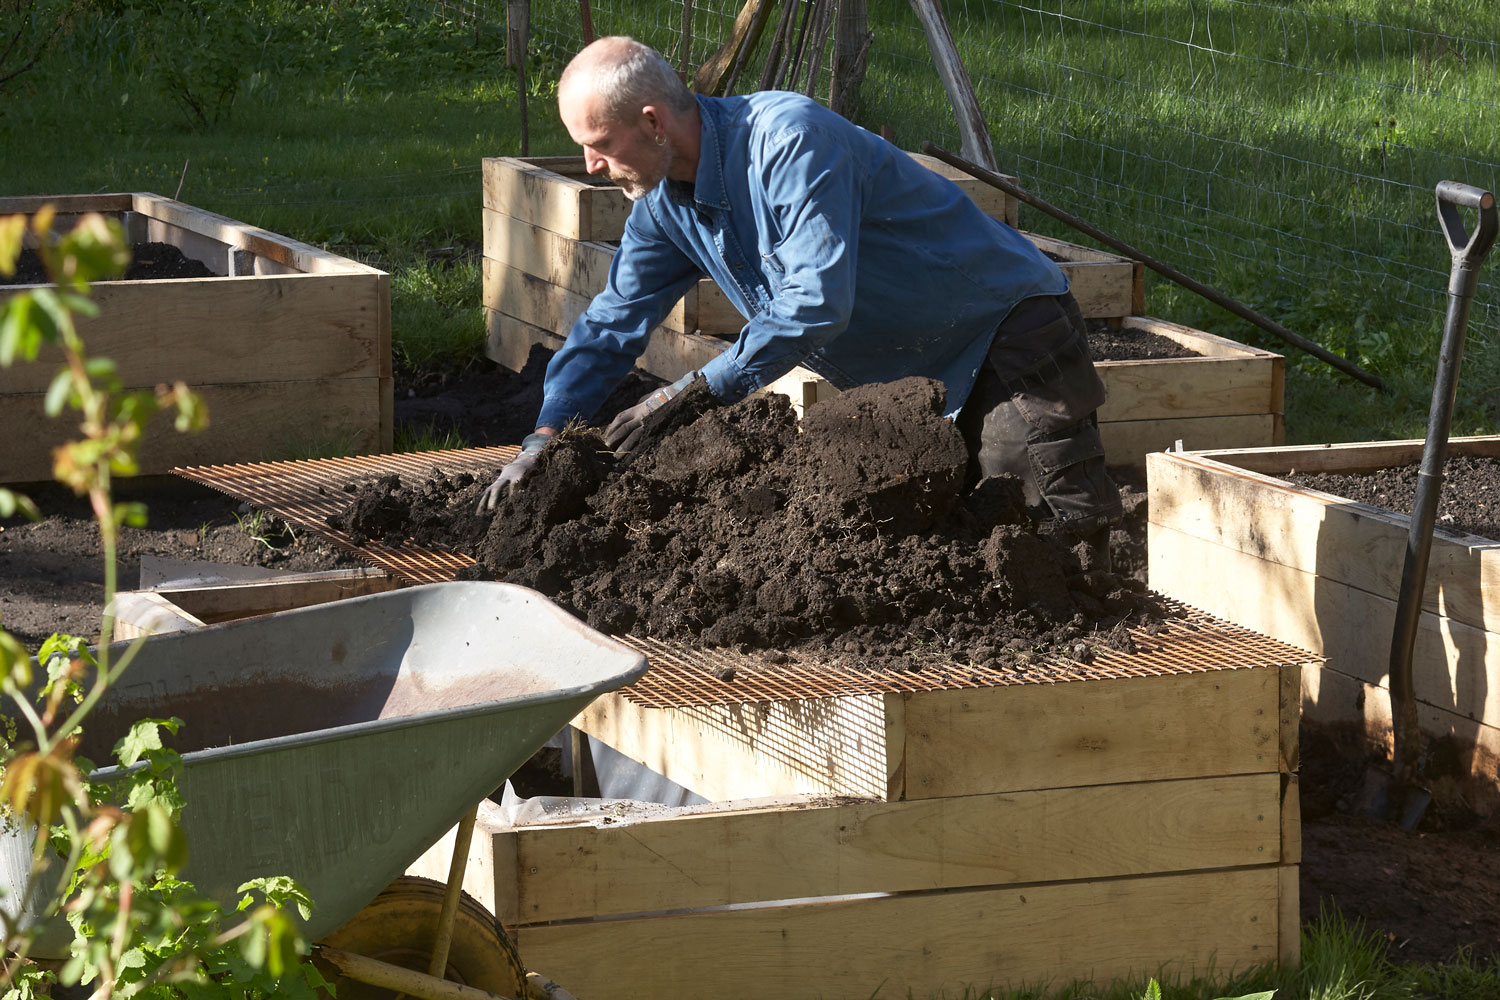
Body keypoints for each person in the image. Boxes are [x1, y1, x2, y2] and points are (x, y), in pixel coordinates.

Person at [480, 36, 1120, 566]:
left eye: (600, 143)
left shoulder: (788, 142)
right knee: (968, 551)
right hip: (919, 367)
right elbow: (612, 324)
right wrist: (545, 433)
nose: (590, 164)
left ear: (652, 121)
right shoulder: (663, 205)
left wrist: (694, 390)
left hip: (1004, 329)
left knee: (1053, 541)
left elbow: (815, 302)